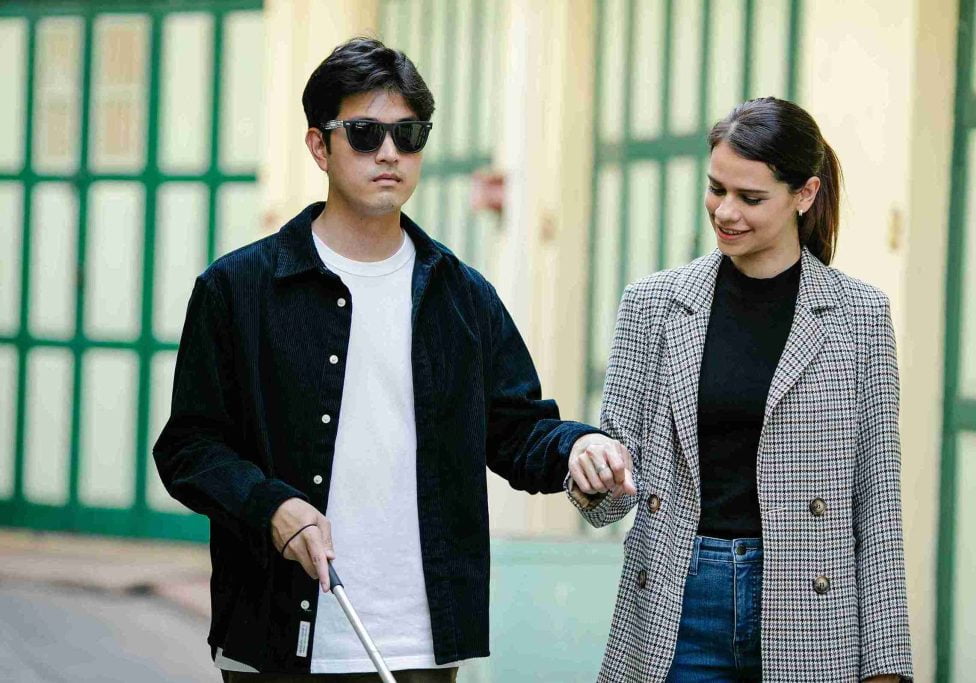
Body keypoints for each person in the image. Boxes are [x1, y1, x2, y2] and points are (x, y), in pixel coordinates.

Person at [154, 37, 631, 682]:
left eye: (408, 135)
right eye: (365, 133)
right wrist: (271, 506)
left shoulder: (462, 297)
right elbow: (189, 447)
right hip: (275, 632)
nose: (389, 153)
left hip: (421, 643)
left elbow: (516, 428)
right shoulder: (238, 289)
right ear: (319, 145)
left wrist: (576, 449)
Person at [567, 97, 913, 682]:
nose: (725, 212)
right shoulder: (653, 306)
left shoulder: (859, 315)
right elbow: (614, 490)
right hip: (679, 601)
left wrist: (885, 663)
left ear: (803, 195)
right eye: (715, 189)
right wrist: (593, 471)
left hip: (811, 609)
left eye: (750, 198)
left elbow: (877, 501)